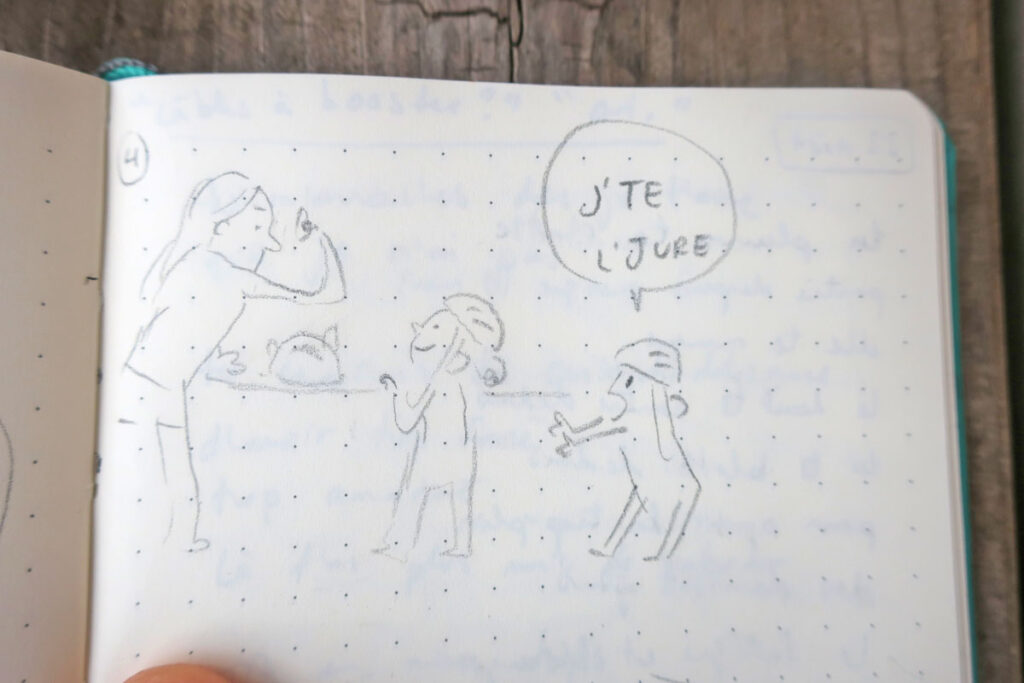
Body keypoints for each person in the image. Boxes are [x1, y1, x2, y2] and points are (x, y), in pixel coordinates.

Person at [121, 172, 346, 552]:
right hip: (145, 384)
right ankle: (164, 544)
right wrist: (322, 242)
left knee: (176, 474)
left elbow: (179, 328)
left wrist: (209, 365)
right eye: (257, 227)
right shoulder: (219, 271)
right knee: (155, 471)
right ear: (221, 225)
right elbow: (323, 296)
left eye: (266, 229)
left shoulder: (212, 268)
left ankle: (177, 543)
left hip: (166, 386)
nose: (265, 241)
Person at [375, 294, 505, 561]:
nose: (420, 334)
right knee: (459, 499)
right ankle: (461, 545)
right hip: (462, 453)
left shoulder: (436, 382)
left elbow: (407, 422)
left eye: (435, 328)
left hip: (433, 454)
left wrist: (396, 393)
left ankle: (399, 545)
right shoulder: (458, 380)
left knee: (412, 496)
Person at [549, 338, 701, 560]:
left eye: (627, 378)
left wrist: (574, 436)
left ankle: (659, 556)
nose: (615, 386)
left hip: (681, 486)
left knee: (662, 526)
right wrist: (573, 435)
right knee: (636, 503)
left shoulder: (641, 421)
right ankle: (612, 548)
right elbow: (602, 427)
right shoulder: (635, 418)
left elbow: (604, 429)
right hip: (647, 481)